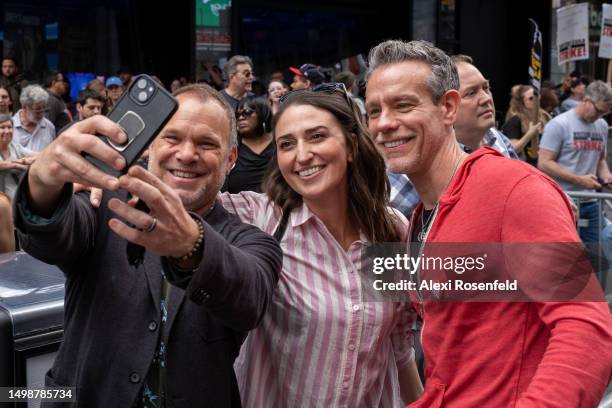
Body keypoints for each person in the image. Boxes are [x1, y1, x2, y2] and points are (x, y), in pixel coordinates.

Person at [365, 39, 612, 407]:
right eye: (373, 111)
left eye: (403, 105)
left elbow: (587, 330)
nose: (385, 123)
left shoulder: (515, 190)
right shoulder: (417, 219)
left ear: (448, 108)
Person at [13, 83, 282, 407]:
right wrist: (43, 184)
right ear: (151, 145)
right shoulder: (105, 201)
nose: (186, 154)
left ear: (231, 159)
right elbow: (52, 236)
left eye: (207, 143)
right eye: (172, 138)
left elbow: (249, 297)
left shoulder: (251, 242)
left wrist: (191, 244)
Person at [219, 84, 422, 406]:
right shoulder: (260, 219)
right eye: (286, 144)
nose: (302, 155)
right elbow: (184, 204)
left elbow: (398, 349)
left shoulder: (391, 230)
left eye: (316, 137)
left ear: (351, 146)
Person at [539, 81, 612, 278]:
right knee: (565, 259)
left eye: (604, 113)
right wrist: (579, 180)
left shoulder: (602, 125)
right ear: (586, 100)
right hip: (563, 201)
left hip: (590, 202)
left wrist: (605, 175)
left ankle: (595, 303)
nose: (600, 117)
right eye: (598, 111)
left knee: (597, 258)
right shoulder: (560, 124)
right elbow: (544, 163)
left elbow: (601, 159)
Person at [451, 54, 518, 159]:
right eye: (471, 93)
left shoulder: (499, 139)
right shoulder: (432, 162)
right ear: (449, 106)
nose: (487, 98)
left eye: (486, 88)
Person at [222, 98, 275, 194]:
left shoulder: (279, 144)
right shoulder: (231, 148)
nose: (241, 118)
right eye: (237, 115)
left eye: (247, 112)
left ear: (262, 113)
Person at [502, 84, 549, 165]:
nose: (535, 100)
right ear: (522, 102)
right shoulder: (515, 120)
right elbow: (513, 149)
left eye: (537, 96)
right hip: (523, 165)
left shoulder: (544, 116)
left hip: (541, 163)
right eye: (531, 98)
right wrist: (530, 133)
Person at [0, 113, 36, 200]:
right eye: (2, 127)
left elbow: (39, 155)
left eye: (9, 127)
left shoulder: (15, 147)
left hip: (19, 200)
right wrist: (17, 165)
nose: (7, 131)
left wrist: (24, 161)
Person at [12, 85, 56, 152]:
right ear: (24, 107)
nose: (42, 114)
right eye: (37, 110)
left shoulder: (49, 126)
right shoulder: (9, 126)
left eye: (44, 109)